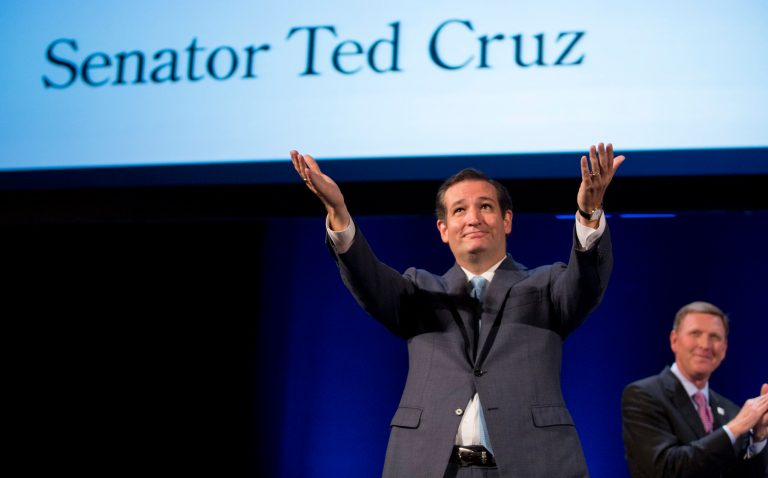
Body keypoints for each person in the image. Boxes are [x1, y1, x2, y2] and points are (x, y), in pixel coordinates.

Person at [291, 143, 624, 477]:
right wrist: (338, 212)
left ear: (507, 220)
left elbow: (586, 283)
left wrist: (589, 213)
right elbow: (368, 279)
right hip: (432, 466)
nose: (473, 219)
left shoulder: (546, 284)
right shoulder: (419, 290)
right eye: (460, 210)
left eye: (485, 207)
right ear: (443, 229)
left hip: (532, 465)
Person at [621, 301, 768, 478]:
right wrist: (734, 429)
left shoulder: (730, 410)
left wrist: (758, 438)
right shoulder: (643, 396)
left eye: (714, 337)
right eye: (695, 334)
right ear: (674, 340)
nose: (705, 345)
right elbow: (663, 469)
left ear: (724, 349)